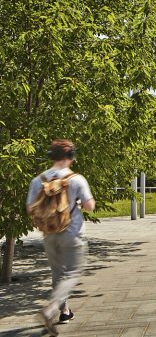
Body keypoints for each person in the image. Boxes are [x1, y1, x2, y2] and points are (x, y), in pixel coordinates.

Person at [26, 139, 95, 336]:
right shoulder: (76, 179)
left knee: (57, 274)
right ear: (71, 157)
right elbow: (90, 206)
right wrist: (80, 204)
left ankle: (65, 311)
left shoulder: (38, 180)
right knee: (73, 273)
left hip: (49, 234)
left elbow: (30, 208)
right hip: (72, 234)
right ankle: (50, 310)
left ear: (52, 157)